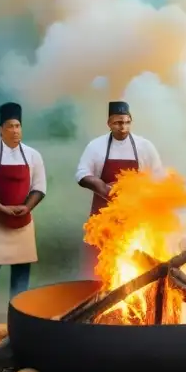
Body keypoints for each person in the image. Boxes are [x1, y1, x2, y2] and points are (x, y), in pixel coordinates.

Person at [0, 102, 47, 330]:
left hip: (24, 221)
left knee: (22, 271)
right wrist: (1, 209)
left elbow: (39, 186)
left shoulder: (33, 155)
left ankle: (19, 319)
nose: (15, 130)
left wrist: (27, 207)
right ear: (0, 129)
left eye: (18, 126)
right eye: (10, 126)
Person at [75, 100, 166, 279]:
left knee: (135, 260)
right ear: (109, 123)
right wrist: (104, 188)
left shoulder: (144, 146)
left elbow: (158, 176)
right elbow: (81, 173)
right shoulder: (96, 146)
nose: (123, 127)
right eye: (117, 123)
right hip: (104, 216)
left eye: (126, 122)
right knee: (102, 263)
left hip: (135, 215)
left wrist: (141, 192)